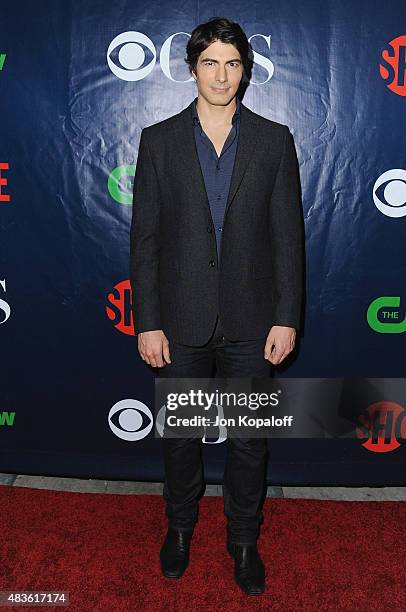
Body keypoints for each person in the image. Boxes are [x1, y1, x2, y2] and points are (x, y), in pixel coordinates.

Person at [129, 16, 304, 596]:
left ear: (246, 72)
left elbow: (287, 237)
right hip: (180, 322)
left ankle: (244, 538)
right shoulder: (158, 141)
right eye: (210, 62)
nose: (221, 74)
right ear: (193, 69)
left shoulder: (274, 140)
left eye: (232, 63)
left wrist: (287, 316)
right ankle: (180, 529)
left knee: (250, 440)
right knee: (181, 438)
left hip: (254, 323)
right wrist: (147, 321)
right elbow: (146, 240)